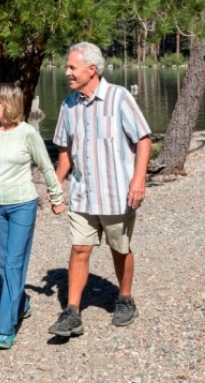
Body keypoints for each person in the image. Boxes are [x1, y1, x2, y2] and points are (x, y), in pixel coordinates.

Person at [47, 42, 152, 337]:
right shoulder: (69, 105)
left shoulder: (119, 98)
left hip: (117, 192)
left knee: (120, 248)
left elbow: (144, 139)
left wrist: (138, 179)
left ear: (91, 70)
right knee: (79, 248)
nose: (66, 72)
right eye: (67, 67)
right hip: (83, 193)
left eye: (71, 67)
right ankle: (72, 312)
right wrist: (55, 185)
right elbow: (65, 152)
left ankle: (125, 299)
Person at [0, 83, 65, 350]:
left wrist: (56, 198)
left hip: (23, 205)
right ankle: (22, 303)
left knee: (13, 264)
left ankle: (5, 328)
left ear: (9, 104)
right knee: (3, 262)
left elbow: (47, 167)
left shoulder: (27, 134)